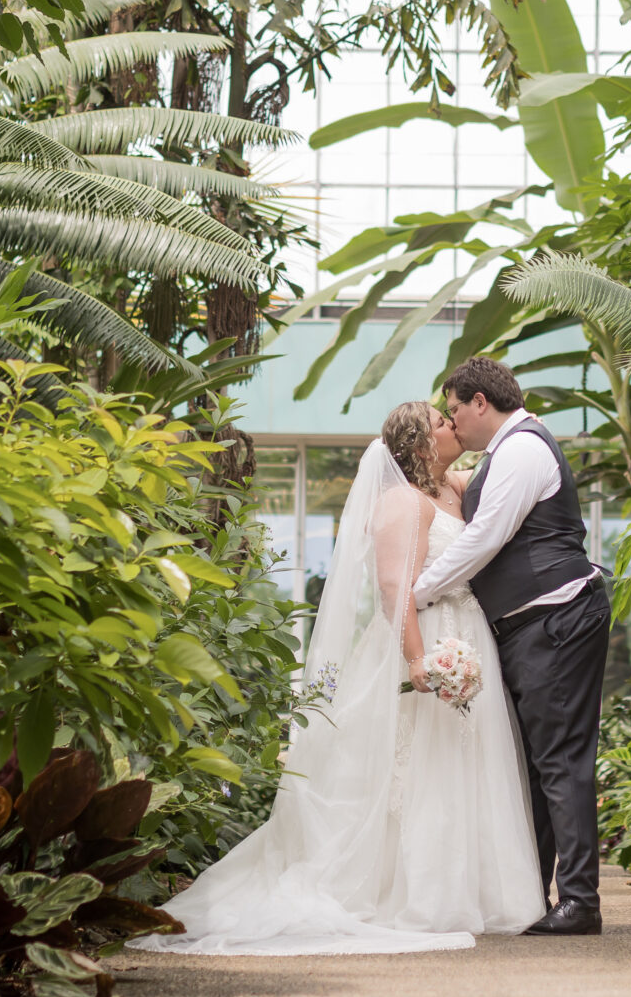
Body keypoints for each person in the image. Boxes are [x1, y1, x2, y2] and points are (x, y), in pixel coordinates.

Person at [130, 401, 545, 954]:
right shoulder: (401, 501)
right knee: (417, 767)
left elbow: (508, 465)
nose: (453, 424)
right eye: (441, 422)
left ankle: (471, 888)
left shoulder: (455, 490)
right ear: (420, 444)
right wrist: (419, 660)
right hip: (421, 639)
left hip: (468, 635)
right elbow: (396, 590)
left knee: (465, 763)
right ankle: (411, 893)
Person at [413, 355, 611, 936]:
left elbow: (485, 538)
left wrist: (416, 595)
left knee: (560, 761)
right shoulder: (501, 455)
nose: (454, 424)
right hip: (532, 626)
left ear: (481, 401)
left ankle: (581, 902)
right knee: (534, 765)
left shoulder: (523, 448)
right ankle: (539, 894)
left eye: (454, 411)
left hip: (556, 618)